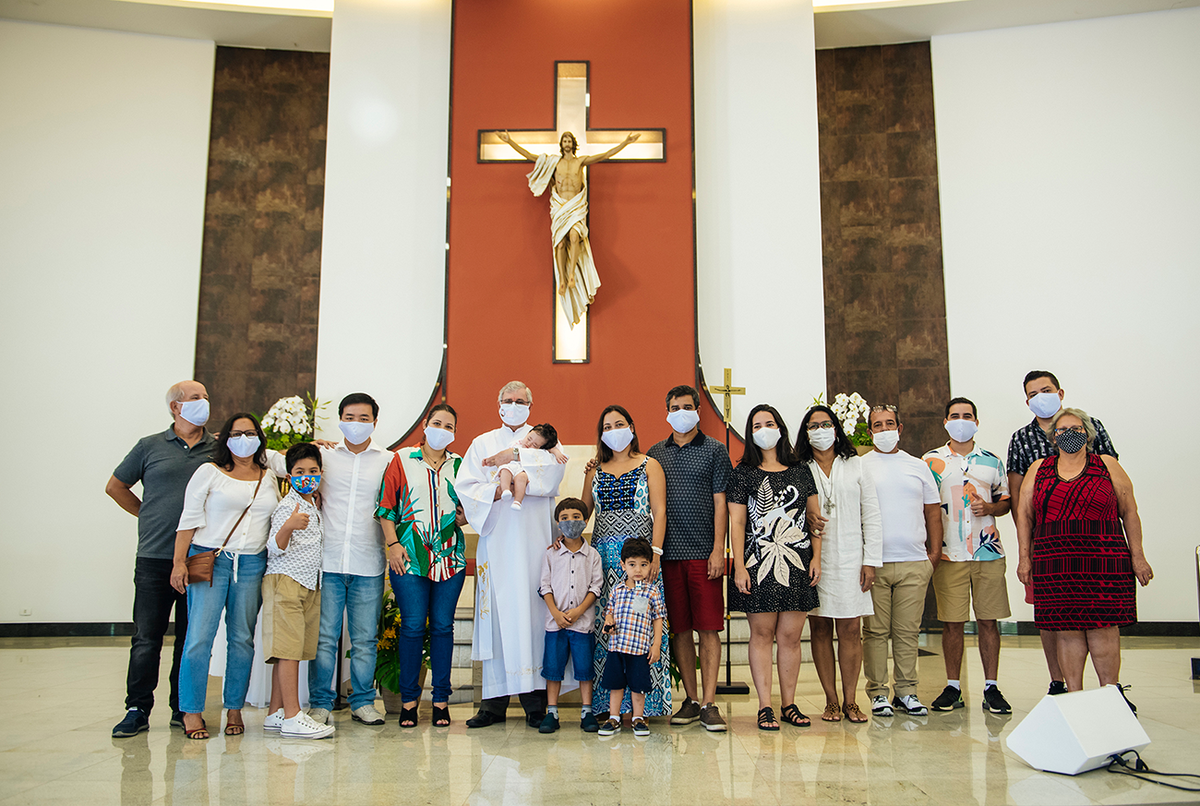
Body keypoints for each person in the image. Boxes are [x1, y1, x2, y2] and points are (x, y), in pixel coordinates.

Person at [1015, 408, 1152, 706]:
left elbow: (1130, 511)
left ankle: (1110, 695)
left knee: (1104, 630)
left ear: (1088, 434)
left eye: (1076, 429)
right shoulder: (1039, 468)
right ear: (1053, 437)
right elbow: (1024, 516)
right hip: (1055, 559)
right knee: (1067, 632)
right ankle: (1074, 700)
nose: (1070, 435)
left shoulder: (1107, 464)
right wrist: (1024, 557)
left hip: (1105, 557)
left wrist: (1138, 555)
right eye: (1062, 430)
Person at [108, 381, 215, 738]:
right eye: (195, 398)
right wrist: (147, 514)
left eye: (205, 397)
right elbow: (115, 486)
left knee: (189, 637)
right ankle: (137, 708)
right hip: (155, 557)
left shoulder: (217, 449)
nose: (204, 402)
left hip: (197, 558)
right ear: (175, 407)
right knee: (147, 637)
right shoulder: (149, 446)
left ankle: (181, 707)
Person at [458, 381, 568, 728]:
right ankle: (493, 703)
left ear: (530, 405)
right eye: (509, 399)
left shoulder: (548, 439)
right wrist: (497, 490)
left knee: (535, 615)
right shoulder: (482, 442)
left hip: (536, 543)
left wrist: (514, 458)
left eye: (521, 400)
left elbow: (551, 478)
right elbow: (467, 487)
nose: (514, 404)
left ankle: (536, 701)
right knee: (498, 618)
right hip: (498, 542)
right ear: (498, 403)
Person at [1006, 370, 1119, 696]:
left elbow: (1112, 480)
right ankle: (1060, 683)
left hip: (1096, 544)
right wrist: (1026, 550)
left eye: (1047, 389)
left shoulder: (1089, 426)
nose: (1041, 396)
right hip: (1049, 546)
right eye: (1034, 393)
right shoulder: (1022, 440)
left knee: (1101, 619)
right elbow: (1019, 502)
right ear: (1027, 401)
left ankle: (1110, 690)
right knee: (1054, 617)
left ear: (1060, 392)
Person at [170, 413, 281, 740]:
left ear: (260, 437)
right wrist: (179, 562)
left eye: (250, 433)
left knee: (242, 640)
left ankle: (234, 707)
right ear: (225, 438)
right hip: (210, 561)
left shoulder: (269, 476)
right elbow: (188, 519)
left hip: (251, 564)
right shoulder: (210, 472)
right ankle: (191, 710)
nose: (244, 439)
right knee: (199, 638)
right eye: (237, 433)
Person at [728, 404, 820, 731]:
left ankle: (789, 704)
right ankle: (765, 706)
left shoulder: (800, 471)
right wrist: (738, 565)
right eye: (756, 425)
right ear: (750, 433)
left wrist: (817, 558)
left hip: (796, 561)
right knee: (762, 633)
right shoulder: (743, 473)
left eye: (769, 423)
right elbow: (736, 522)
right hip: (757, 562)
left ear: (780, 427)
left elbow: (814, 520)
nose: (764, 429)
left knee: (791, 636)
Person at [645, 384, 732, 731]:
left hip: (703, 555)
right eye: (674, 406)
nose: (681, 411)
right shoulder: (655, 453)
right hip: (667, 557)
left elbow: (721, 504)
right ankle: (692, 700)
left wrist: (718, 550)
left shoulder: (715, 450)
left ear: (697, 409)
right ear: (666, 411)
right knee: (679, 630)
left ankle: (710, 703)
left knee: (708, 628)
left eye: (686, 405)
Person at [377, 403, 469, 728]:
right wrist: (392, 545)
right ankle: (408, 701)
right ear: (425, 426)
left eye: (449, 426)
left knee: (443, 628)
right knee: (413, 627)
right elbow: (385, 506)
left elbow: (470, 507)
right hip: (409, 558)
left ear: (454, 433)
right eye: (437, 423)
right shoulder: (402, 459)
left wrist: (466, 516)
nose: (442, 429)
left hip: (450, 557)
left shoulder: (461, 465)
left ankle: (441, 700)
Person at [305, 392, 391, 728]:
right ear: (340, 419)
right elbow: (280, 462)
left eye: (364, 418)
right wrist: (309, 443)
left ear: (374, 422)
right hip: (327, 562)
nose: (356, 424)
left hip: (368, 561)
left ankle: (363, 701)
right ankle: (320, 703)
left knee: (365, 638)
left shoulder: (387, 459)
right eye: (350, 417)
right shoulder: (324, 456)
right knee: (325, 636)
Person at [582, 404, 672, 721]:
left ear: (632, 427)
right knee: (608, 628)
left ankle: (643, 707)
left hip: (640, 561)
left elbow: (660, 511)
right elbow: (582, 512)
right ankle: (607, 706)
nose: (613, 430)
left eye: (619, 424)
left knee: (642, 625)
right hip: (604, 561)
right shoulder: (594, 469)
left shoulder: (650, 465)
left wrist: (656, 554)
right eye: (607, 427)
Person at [495, 130, 640, 326]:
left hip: (576, 207)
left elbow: (605, 155)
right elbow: (530, 156)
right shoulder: (554, 162)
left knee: (574, 236)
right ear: (561, 144)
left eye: (569, 139)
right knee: (560, 244)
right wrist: (510, 141)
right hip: (560, 208)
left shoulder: (580, 162)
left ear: (573, 143)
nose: (566, 142)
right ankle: (562, 280)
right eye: (564, 139)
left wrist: (626, 142)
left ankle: (571, 275)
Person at [922, 398, 1013, 715]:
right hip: (949, 553)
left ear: (977, 421)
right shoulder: (931, 461)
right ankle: (953, 686)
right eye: (955, 416)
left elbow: (1005, 502)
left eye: (968, 416)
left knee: (988, 622)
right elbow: (924, 505)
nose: (962, 421)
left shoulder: (991, 461)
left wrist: (990, 508)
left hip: (987, 552)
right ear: (945, 421)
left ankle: (991, 687)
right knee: (952, 623)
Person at [797, 404, 881, 724]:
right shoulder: (800, 466)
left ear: (836, 428)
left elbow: (871, 514)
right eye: (814, 425)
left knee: (850, 628)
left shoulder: (856, 465)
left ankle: (851, 699)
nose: (821, 430)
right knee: (819, 627)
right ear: (806, 433)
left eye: (826, 424)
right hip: (814, 559)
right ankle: (830, 701)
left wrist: (870, 561)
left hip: (851, 557)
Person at [860, 405, 941, 718]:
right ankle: (878, 692)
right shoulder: (862, 465)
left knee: (908, 632)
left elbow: (932, 511)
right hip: (875, 563)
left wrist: (933, 555)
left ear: (900, 427)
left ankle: (907, 691)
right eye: (877, 426)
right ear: (870, 432)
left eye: (889, 424)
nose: (884, 430)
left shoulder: (918, 466)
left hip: (914, 562)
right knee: (876, 633)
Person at [261, 443, 334, 739]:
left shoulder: (312, 503)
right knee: (288, 651)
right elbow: (274, 548)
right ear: (289, 476)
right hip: (286, 581)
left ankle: (275, 713)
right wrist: (289, 526)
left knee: (289, 651)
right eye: (300, 472)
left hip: (307, 582)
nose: (307, 476)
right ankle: (292, 716)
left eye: (313, 471)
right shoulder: (288, 507)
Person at [537, 498, 604, 734]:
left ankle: (587, 711)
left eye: (576, 517)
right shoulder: (551, 554)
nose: (570, 522)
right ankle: (552, 711)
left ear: (585, 521)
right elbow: (544, 586)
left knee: (584, 669)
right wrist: (555, 613)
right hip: (555, 624)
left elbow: (596, 587)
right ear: (558, 523)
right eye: (564, 518)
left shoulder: (593, 555)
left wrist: (577, 611)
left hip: (582, 624)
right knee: (553, 668)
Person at [597, 539, 666, 738]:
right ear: (623, 565)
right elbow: (609, 612)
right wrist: (608, 621)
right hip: (617, 647)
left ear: (650, 565)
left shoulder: (652, 591)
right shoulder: (617, 590)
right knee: (615, 684)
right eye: (632, 564)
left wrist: (656, 644)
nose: (638, 570)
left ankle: (637, 717)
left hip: (640, 649)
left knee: (638, 686)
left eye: (644, 565)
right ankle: (614, 717)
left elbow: (658, 618)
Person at [482, 423, 563, 511]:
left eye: (535, 445)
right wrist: (490, 461)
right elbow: (501, 457)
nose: (529, 443)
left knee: (522, 477)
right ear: (528, 433)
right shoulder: (517, 442)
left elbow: (552, 455)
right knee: (505, 470)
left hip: (521, 472)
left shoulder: (545, 442)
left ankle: (517, 501)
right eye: (529, 439)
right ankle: (505, 490)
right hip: (511, 467)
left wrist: (557, 453)